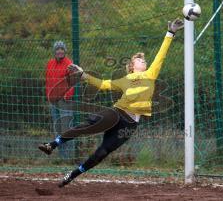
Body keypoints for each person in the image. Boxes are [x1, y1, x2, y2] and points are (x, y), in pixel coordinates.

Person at [39, 19, 184, 187]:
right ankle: (52, 144)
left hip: (130, 124)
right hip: (117, 112)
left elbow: (161, 54)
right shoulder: (124, 80)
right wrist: (83, 75)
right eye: (139, 59)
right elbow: (102, 84)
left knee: (102, 153)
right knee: (88, 125)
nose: (143, 61)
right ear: (132, 66)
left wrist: (170, 32)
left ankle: (71, 175)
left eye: (143, 60)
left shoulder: (150, 74)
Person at [45, 41, 75, 160]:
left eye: (62, 49)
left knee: (66, 128)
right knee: (57, 127)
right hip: (53, 100)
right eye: (57, 49)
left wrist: (66, 96)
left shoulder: (69, 64)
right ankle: (62, 158)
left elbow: (72, 82)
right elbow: (48, 80)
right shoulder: (50, 63)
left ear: (65, 51)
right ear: (54, 51)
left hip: (64, 101)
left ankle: (69, 157)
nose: (59, 51)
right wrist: (48, 95)